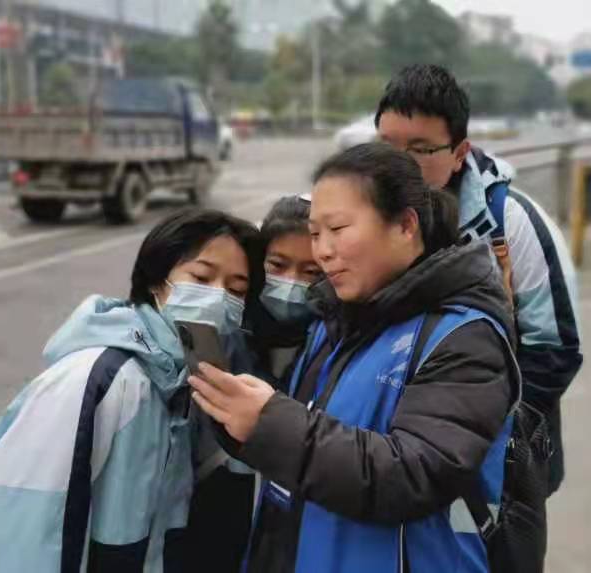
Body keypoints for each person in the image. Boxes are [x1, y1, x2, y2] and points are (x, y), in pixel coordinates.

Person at [188, 143, 520, 573]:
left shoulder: (464, 337)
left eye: (338, 228)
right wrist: (243, 420)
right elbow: (300, 450)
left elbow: (414, 475)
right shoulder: (335, 319)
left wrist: (269, 421)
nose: (322, 251)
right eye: (314, 233)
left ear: (405, 225)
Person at [0, 208, 264, 573]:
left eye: (235, 289)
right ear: (158, 280)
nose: (218, 297)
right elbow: (24, 528)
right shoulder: (99, 380)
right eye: (202, 277)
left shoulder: (180, 382)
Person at [374, 64, 583, 494]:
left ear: (458, 151)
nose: (396, 165)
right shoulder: (364, 217)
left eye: (419, 149)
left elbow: (554, 349)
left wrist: (478, 436)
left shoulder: (511, 222)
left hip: (495, 469)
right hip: (389, 462)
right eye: (386, 145)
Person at [252, 195, 322, 387]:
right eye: (277, 264)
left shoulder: (331, 338)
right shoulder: (235, 326)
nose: (291, 281)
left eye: (311, 272)